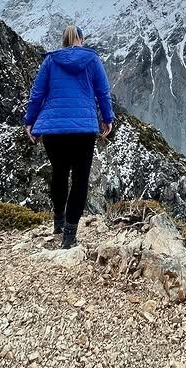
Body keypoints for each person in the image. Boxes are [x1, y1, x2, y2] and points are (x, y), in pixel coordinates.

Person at [23, 24, 115, 249]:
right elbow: (103, 92)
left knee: (60, 174)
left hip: (54, 130)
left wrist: (29, 121)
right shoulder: (92, 60)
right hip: (83, 130)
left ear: (63, 41)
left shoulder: (50, 61)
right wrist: (107, 118)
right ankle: (70, 236)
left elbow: (38, 93)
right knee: (80, 179)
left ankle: (58, 222)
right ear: (81, 40)